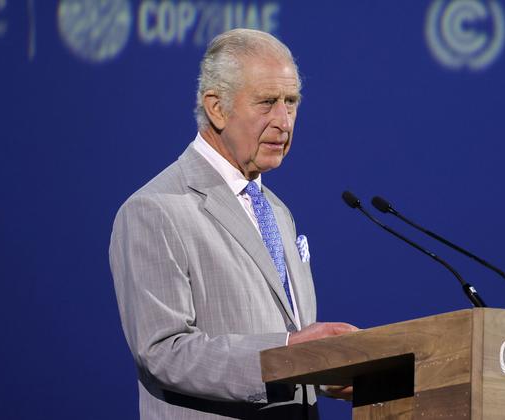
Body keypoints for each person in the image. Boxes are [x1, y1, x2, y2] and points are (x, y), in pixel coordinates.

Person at [109, 29, 356, 419]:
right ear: (217, 108)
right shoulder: (155, 209)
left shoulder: (277, 211)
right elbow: (163, 352)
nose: (284, 121)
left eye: (291, 102)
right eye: (267, 103)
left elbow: (286, 339)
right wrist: (288, 354)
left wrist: (326, 369)